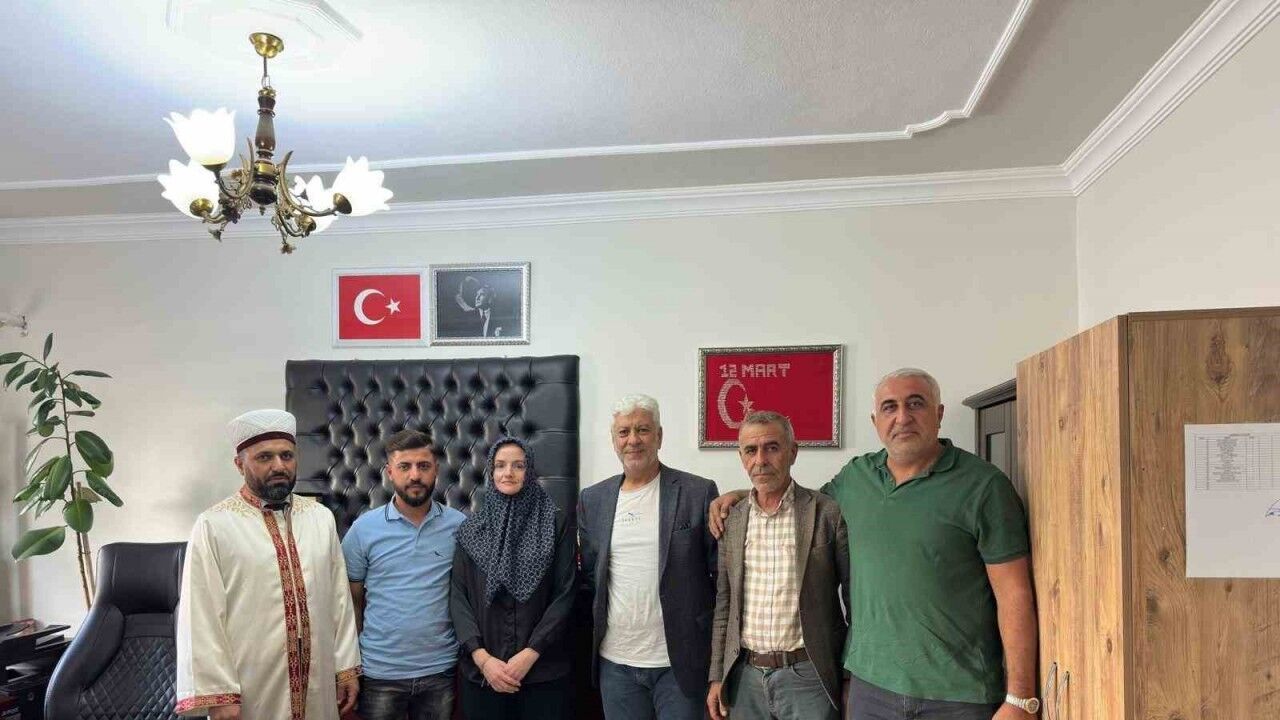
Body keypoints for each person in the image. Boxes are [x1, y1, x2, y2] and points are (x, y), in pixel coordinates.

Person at [709, 369, 1039, 720]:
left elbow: (1015, 594)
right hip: (871, 691)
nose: (902, 417)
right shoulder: (856, 479)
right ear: (875, 420)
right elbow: (799, 504)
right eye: (889, 407)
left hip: (957, 694)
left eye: (916, 404)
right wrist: (745, 495)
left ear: (939, 413)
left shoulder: (984, 486)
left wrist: (1021, 697)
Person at [176, 409, 361, 719]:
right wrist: (219, 694)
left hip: (318, 683)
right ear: (239, 465)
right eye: (264, 457)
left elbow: (339, 601)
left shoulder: (320, 518)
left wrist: (345, 668)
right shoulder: (214, 525)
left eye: (286, 456)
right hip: (250, 691)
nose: (279, 466)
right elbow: (201, 615)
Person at [578, 394, 720, 720]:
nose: (633, 440)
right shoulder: (593, 499)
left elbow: (720, 580)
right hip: (616, 665)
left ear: (659, 435)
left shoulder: (697, 492)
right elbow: (590, 578)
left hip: (680, 664)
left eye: (642, 430)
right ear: (614, 440)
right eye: (624, 432)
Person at [707, 411, 849, 720]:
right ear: (741, 457)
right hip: (745, 678)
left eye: (772, 447)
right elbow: (724, 605)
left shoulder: (826, 512)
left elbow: (855, 601)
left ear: (792, 452)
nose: (761, 460)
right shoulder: (732, 520)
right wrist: (717, 676)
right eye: (750, 450)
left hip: (809, 677)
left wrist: (850, 676)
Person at [342, 429, 466, 720]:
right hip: (379, 672)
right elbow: (349, 605)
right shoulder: (363, 529)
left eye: (423, 466)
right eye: (404, 466)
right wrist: (349, 668)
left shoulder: (460, 526)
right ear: (390, 472)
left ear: (436, 469)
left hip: (440, 670)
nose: (415, 475)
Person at [450, 437, 577, 720]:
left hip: (543, 672)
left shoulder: (555, 523)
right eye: (500, 465)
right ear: (491, 472)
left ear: (529, 472)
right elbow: (458, 597)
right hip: (483, 674)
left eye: (518, 466)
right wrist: (483, 659)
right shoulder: (471, 529)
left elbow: (565, 593)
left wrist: (531, 652)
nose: (508, 473)